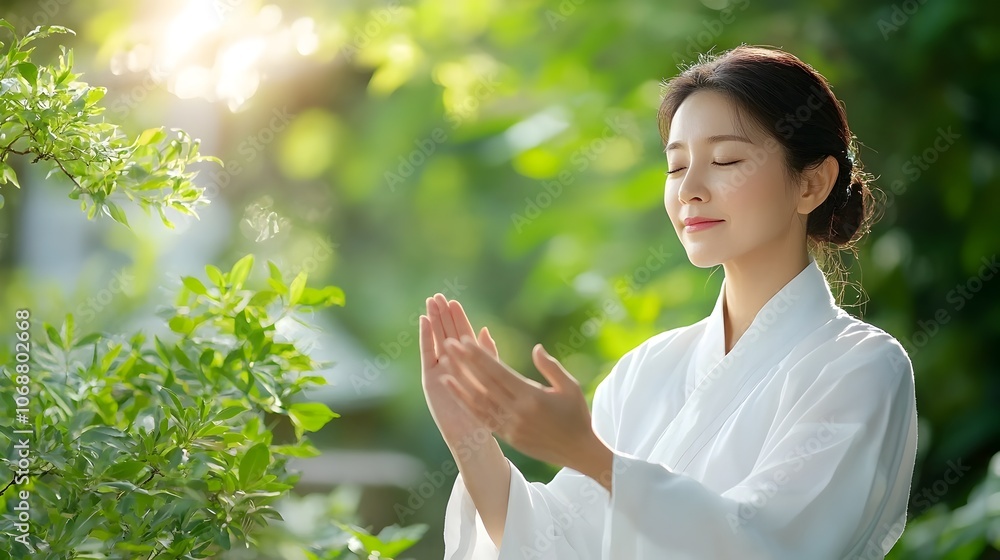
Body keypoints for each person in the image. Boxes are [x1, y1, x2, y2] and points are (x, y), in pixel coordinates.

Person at [418, 45, 918, 559]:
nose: (690, 191)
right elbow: (559, 544)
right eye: (677, 167)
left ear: (811, 183)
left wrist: (591, 456)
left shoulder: (860, 367)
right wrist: (471, 440)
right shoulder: (645, 370)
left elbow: (769, 546)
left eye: (726, 160)